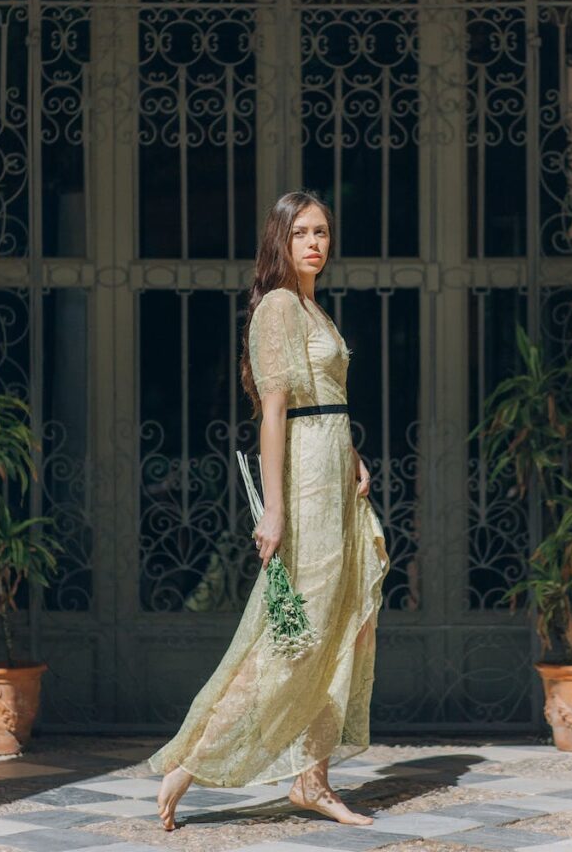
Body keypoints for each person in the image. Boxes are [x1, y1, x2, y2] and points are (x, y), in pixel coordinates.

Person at [148, 190, 389, 831]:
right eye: (303, 232)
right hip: (305, 481)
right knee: (292, 633)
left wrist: (355, 456)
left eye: (324, 232)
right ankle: (191, 763)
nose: (316, 243)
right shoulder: (279, 307)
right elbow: (275, 414)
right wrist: (275, 509)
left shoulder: (313, 306)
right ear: (279, 240)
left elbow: (328, 402)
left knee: (340, 626)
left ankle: (312, 780)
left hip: (335, 470)